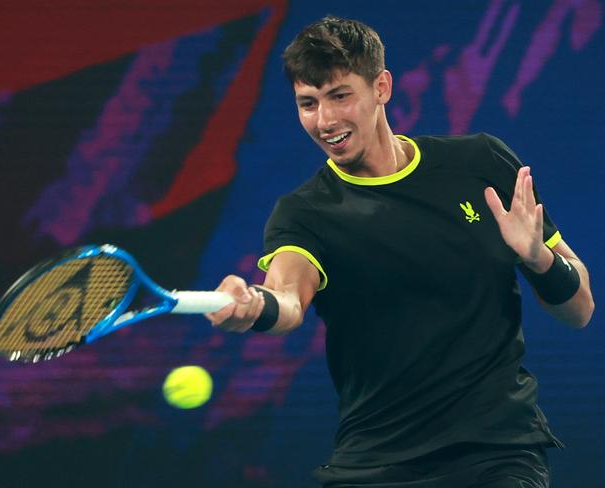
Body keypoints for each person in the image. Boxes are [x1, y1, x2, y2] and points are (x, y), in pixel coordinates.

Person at [206, 16, 594, 487]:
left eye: (340, 96)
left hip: (496, 452)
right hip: (374, 463)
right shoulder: (304, 214)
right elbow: (287, 299)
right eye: (308, 104)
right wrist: (256, 305)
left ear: (382, 87)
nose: (324, 121)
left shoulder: (480, 163)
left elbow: (580, 310)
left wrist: (540, 259)